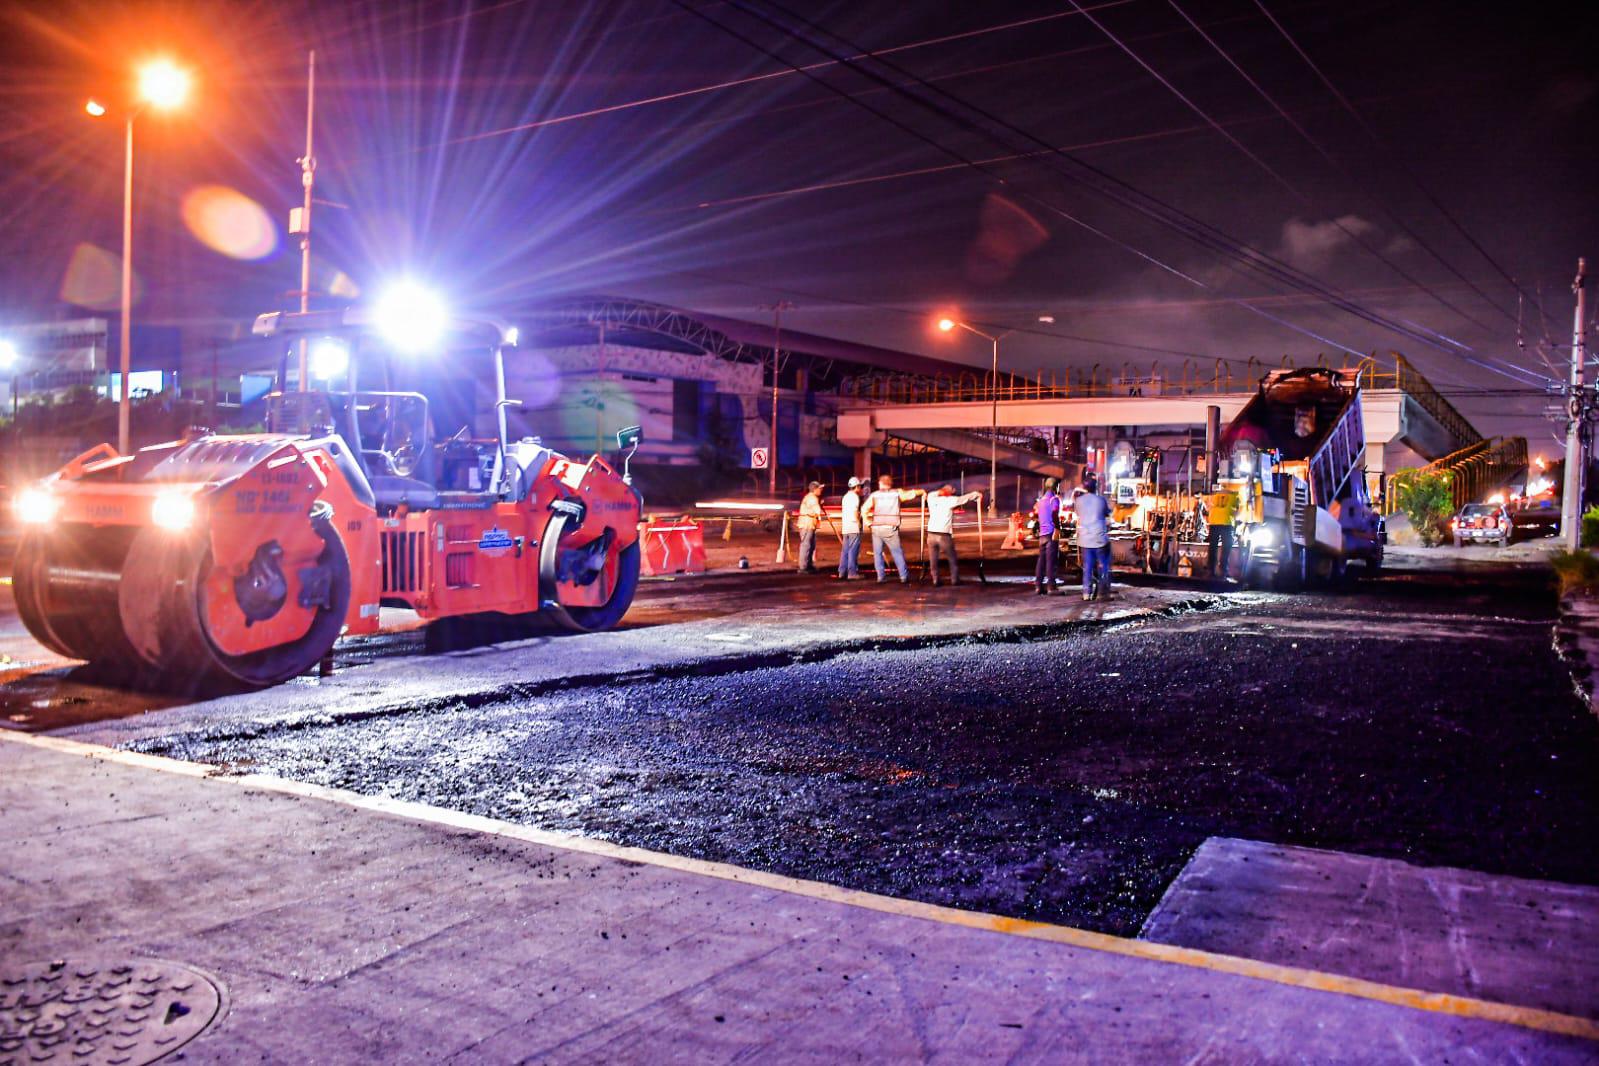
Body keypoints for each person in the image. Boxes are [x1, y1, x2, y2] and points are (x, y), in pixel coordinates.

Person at [861, 474, 925, 584]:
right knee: (897, 552)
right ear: (890, 484)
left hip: (877, 528)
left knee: (878, 553)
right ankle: (903, 576)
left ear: (880, 484)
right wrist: (922, 491)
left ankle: (880, 576)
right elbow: (911, 494)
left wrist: (868, 523)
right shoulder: (897, 493)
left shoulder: (875, 495)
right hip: (891, 528)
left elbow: (864, 509)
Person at [925, 484, 980, 586]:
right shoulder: (949, 500)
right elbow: (963, 499)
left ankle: (935, 579)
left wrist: (943, 491)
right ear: (949, 492)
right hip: (944, 535)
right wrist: (975, 494)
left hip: (931, 533)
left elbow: (935, 493)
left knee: (933, 558)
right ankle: (954, 579)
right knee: (952, 558)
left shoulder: (931, 498)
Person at [1074, 473, 1112, 601]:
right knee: (1103, 564)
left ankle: (1086, 593)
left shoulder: (1078, 501)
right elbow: (1107, 513)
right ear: (1096, 487)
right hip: (1099, 539)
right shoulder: (1101, 500)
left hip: (1085, 539)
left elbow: (1079, 514)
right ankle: (1103, 592)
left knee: (1088, 566)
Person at [1034, 477, 1062, 595]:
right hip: (1051, 534)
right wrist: (1058, 527)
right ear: (1055, 486)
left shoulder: (1041, 500)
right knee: (1051, 561)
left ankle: (1038, 586)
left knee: (1041, 561)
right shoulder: (1054, 499)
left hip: (1042, 534)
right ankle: (1051, 587)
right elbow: (1055, 513)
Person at [1204, 484, 1239, 579]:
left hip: (1214, 522)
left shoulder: (1213, 496)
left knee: (1212, 547)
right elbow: (1236, 512)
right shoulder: (1235, 496)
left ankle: (1210, 571)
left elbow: (1207, 507)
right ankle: (1223, 571)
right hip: (1226, 523)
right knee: (1226, 548)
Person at [835, 477, 864, 580]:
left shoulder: (845, 497)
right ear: (856, 487)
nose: (861, 488)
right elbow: (855, 512)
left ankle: (842, 572)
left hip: (846, 527)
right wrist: (859, 524)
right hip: (853, 527)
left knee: (845, 550)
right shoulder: (855, 497)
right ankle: (852, 573)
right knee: (853, 551)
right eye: (860, 486)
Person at [796, 481, 824, 573]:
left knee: (811, 546)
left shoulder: (810, 497)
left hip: (809, 525)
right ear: (815, 489)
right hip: (807, 525)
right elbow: (818, 511)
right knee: (806, 546)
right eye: (819, 488)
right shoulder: (812, 498)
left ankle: (808, 565)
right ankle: (803, 567)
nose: (821, 490)